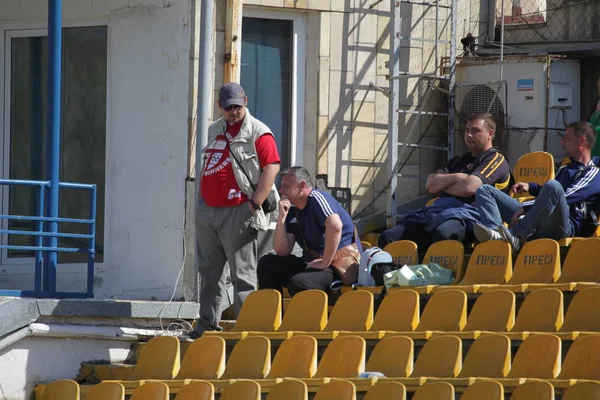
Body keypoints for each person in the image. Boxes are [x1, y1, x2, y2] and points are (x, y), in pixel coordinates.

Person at [191, 82, 281, 338]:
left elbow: (271, 168)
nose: (234, 111)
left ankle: (247, 330)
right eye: (228, 107)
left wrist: (253, 204)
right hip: (209, 210)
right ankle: (206, 324)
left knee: (242, 274)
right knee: (209, 272)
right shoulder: (214, 128)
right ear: (220, 106)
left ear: (246, 102)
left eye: (238, 106)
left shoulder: (258, 132)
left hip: (238, 210)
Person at [378, 113, 511, 250]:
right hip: (438, 213)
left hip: (470, 218)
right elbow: (430, 185)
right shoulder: (459, 159)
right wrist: (459, 177)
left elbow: (469, 188)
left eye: (475, 131)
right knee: (388, 237)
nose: (469, 135)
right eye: (467, 130)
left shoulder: (495, 159)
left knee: (443, 234)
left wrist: (444, 185)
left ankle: (441, 272)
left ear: (490, 133)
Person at [473, 121, 600, 252]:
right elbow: (549, 196)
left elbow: (566, 196)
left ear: (582, 141)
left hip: (563, 227)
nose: (562, 143)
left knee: (553, 186)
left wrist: (526, 207)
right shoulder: (567, 168)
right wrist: (531, 187)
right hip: (540, 219)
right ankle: (496, 236)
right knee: (485, 190)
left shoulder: (594, 174)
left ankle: (516, 234)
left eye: (567, 138)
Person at [257, 167, 357, 296]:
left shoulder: (317, 198)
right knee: (267, 265)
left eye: (286, 186)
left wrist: (325, 262)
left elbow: (335, 226)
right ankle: (271, 315)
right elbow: (282, 251)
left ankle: (315, 315)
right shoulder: (292, 209)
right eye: (280, 186)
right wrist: (281, 217)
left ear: (302, 186)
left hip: (336, 266)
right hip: (312, 263)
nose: (281, 190)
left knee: (299, 283)